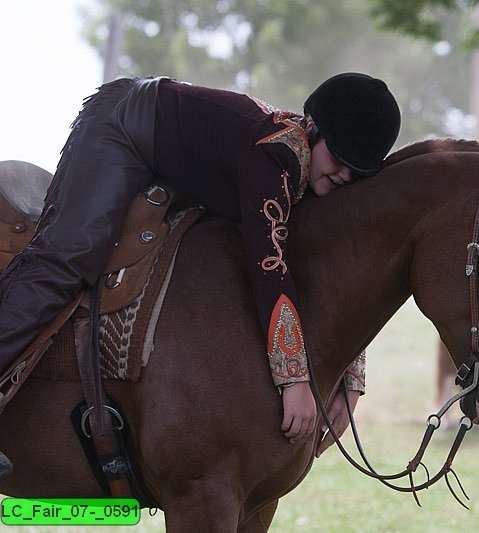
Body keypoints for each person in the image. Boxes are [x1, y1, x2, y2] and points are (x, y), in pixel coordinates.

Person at [0, 73, 401, 476]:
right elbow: (271, 269)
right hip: (122, 124)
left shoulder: (308, 170)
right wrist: (294, 380)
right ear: (313, 129)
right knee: (70, 258)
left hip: (165, 146)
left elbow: (323, 271)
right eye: (340, 159)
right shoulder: (273, 159)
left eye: (357, 170)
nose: (345, 176)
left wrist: (351, 373)